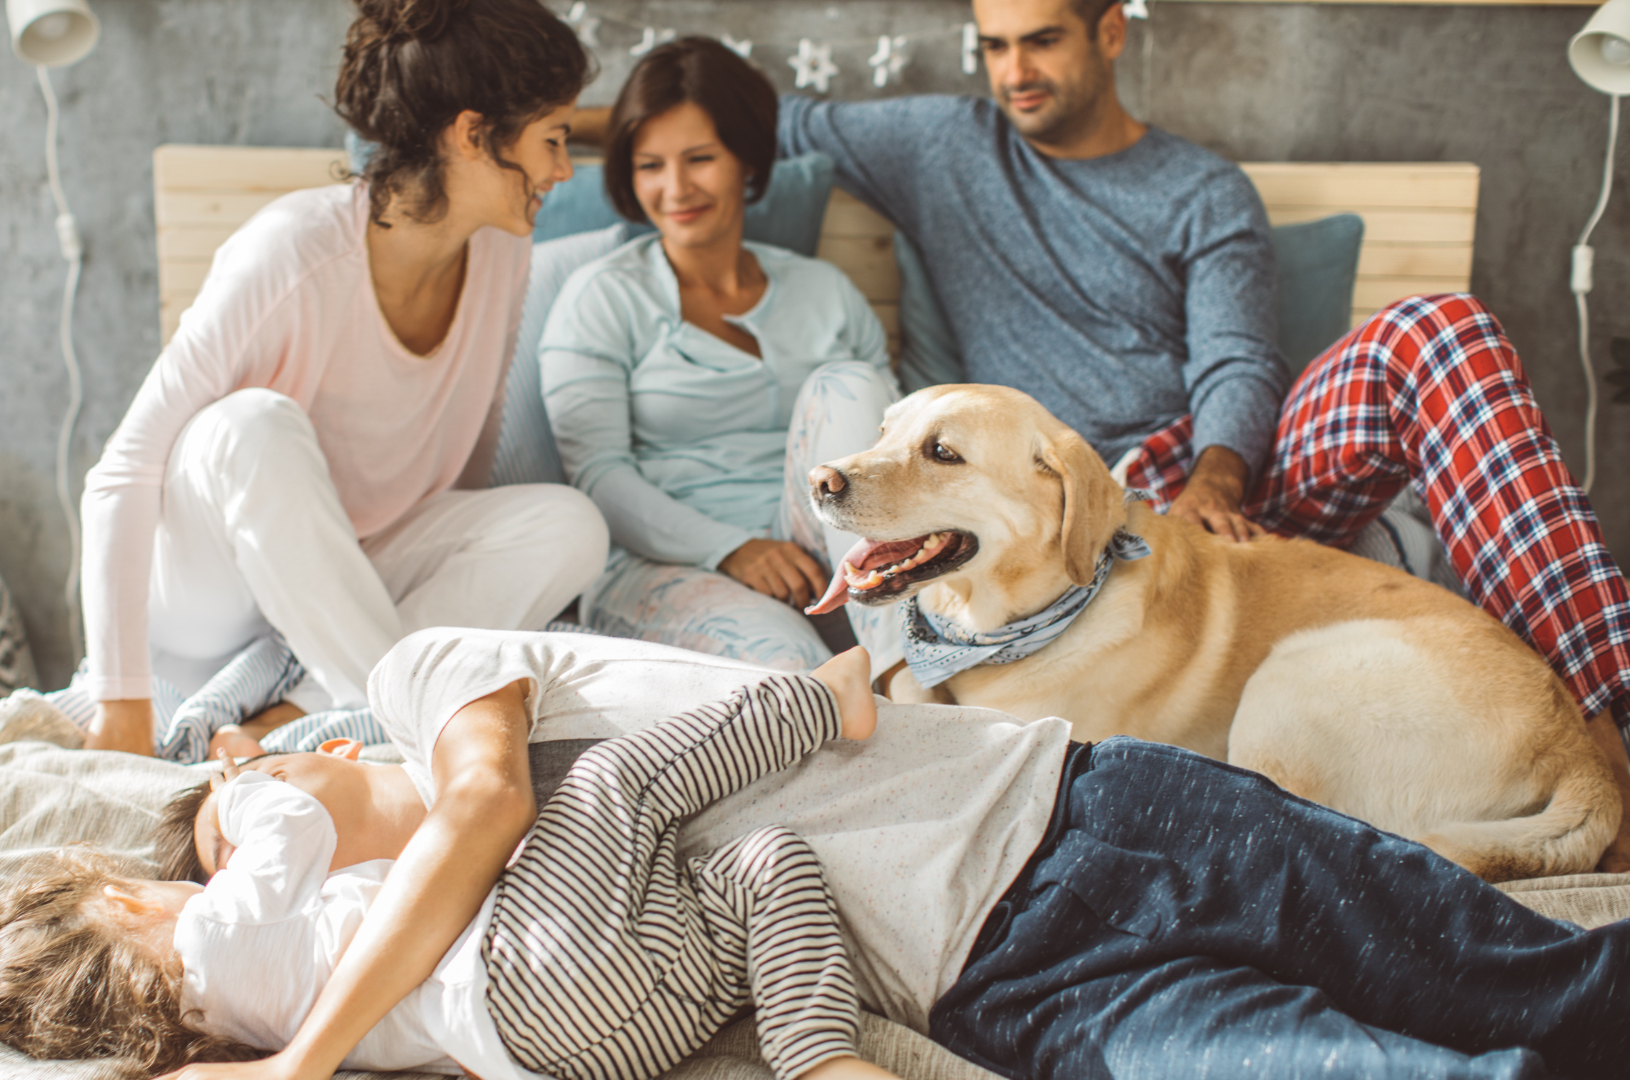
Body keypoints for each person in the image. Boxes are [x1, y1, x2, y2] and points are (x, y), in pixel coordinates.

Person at [573, 0, 1630, 867]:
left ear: (1111, 32)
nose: (1014, 70)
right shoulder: (939, 144)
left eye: (1042, 40)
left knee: (1440, 331)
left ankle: (1609, 705)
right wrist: (544, 133)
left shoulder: (1199, 188)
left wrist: (1222, 470)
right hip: (1037, 480)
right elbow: (739, 131)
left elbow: (1237, 362)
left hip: (1215, 472)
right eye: (994, 45)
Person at [156, 627, 1629, 1080]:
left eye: (253, 807)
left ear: (317, 746)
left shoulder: (428, 680)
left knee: (1544, 988)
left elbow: (483, 802)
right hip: (1006, 992)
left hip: (1094, 812)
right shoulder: (462, 965)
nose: (261, 841)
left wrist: (295, 1068)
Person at [0, 653, 897, 1080]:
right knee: (613, 780)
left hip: (586, 1050)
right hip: (526, 980)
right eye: (220, 861)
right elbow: (291, 826)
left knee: (761, 864)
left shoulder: (234, 1034)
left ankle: (815, 1053)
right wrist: (241, 782)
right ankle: (821, 704)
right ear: (124, 897)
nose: (224, 874)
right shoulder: (211, 938)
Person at [76, 0, 610, 758]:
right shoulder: (292, 251)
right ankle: (402, 725)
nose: (562, 168)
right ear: (471, 135)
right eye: (554, 140)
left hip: (353, 572)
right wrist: (120, 705)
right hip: (212, 591)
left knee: (568, 523)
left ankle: (283, 723)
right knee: (250, 424)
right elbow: (122, 472)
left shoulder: (501, 255)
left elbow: (468, 460)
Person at [539, 37, 902, 677]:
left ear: (747, 160)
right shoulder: (600, 296)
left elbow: (890, 450)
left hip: (825, 543)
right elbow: (598, 475)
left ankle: (902, 664)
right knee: (792, 676)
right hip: (664, 563)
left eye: (700, 158)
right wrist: (731, 549)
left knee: (850, 383)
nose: (675, 187)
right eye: (649, 164)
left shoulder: (826, 291)